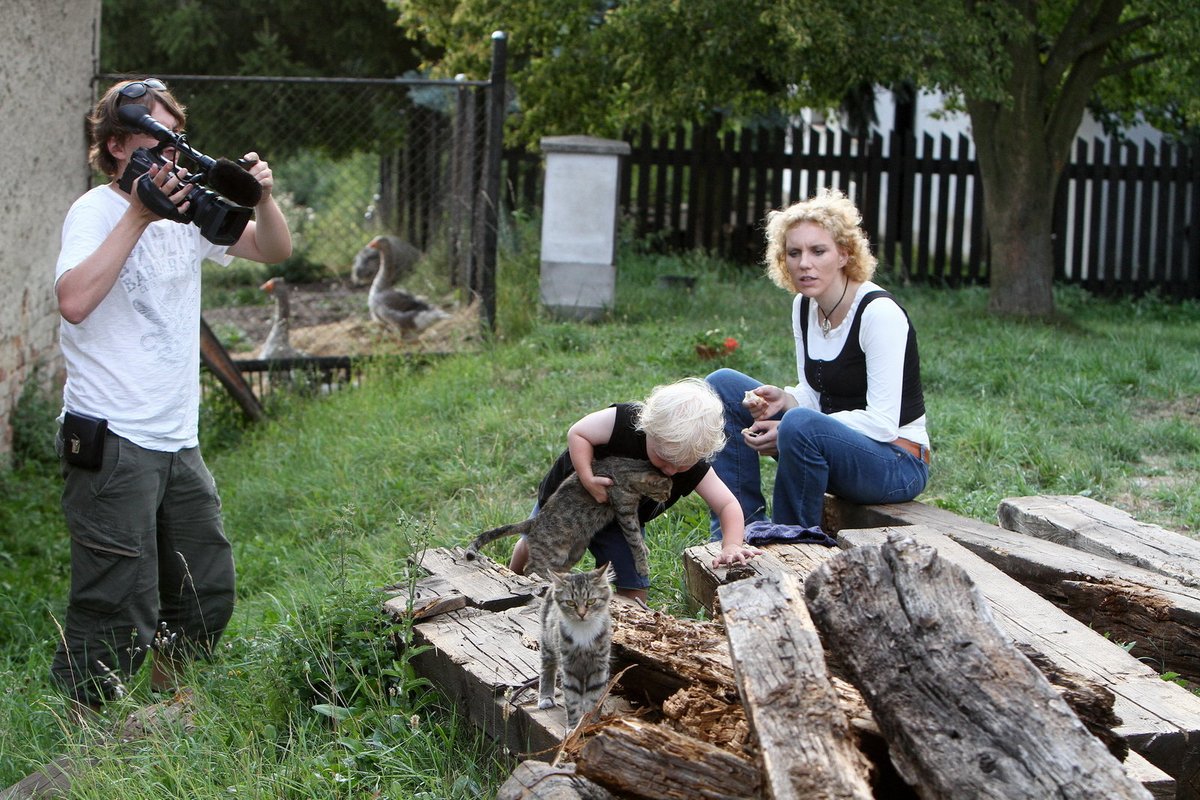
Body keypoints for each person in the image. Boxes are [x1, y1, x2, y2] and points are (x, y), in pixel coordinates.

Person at [51, 77, 292, 710]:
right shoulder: (96, 211)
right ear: (115, 146)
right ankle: (84, 732)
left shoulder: (188, 211)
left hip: (175, 438)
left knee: (203, 588)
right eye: (152, 140)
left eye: (174, 140)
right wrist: (139, 212)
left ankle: (161, 712)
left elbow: (273, 247)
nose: (168, 154)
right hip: (113, 436)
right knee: (115, 600)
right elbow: (73, 301)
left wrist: (261, 197)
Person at [706, 188, 930, 534]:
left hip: (896, 463)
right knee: (722, 385)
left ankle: (787, 541)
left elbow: (884, 423)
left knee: (798, 424)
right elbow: (816, 394)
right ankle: (738, 530)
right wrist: (788, 400)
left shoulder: (879, 313)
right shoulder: (805, 306)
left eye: (818, 251)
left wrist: (790, 426)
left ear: (844, 254)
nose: (804, 263)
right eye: (794, 253)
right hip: (827, 442)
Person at [509, 378, 762, 604]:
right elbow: (578, 433)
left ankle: (625, 623)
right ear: (647, 428)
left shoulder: (691, 465)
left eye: (682, 464)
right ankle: (511, 580)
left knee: (634, 585)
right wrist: (587, 478)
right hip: (569, 502)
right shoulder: (624, 422)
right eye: (662, 459)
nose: (671, 470)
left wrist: (731, 545)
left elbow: (727, 505)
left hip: (622, 521)